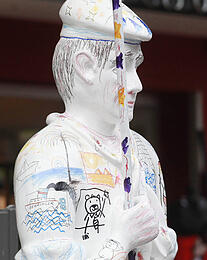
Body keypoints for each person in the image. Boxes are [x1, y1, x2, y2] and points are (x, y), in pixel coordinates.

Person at [13, 0, 177, 259]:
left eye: (138, 66)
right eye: (122, 66)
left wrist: (152, 230)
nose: (137, 84)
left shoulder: (143, 153)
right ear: (85, 67)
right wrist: (121, 242)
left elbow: (163, 251)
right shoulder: (45, 154)